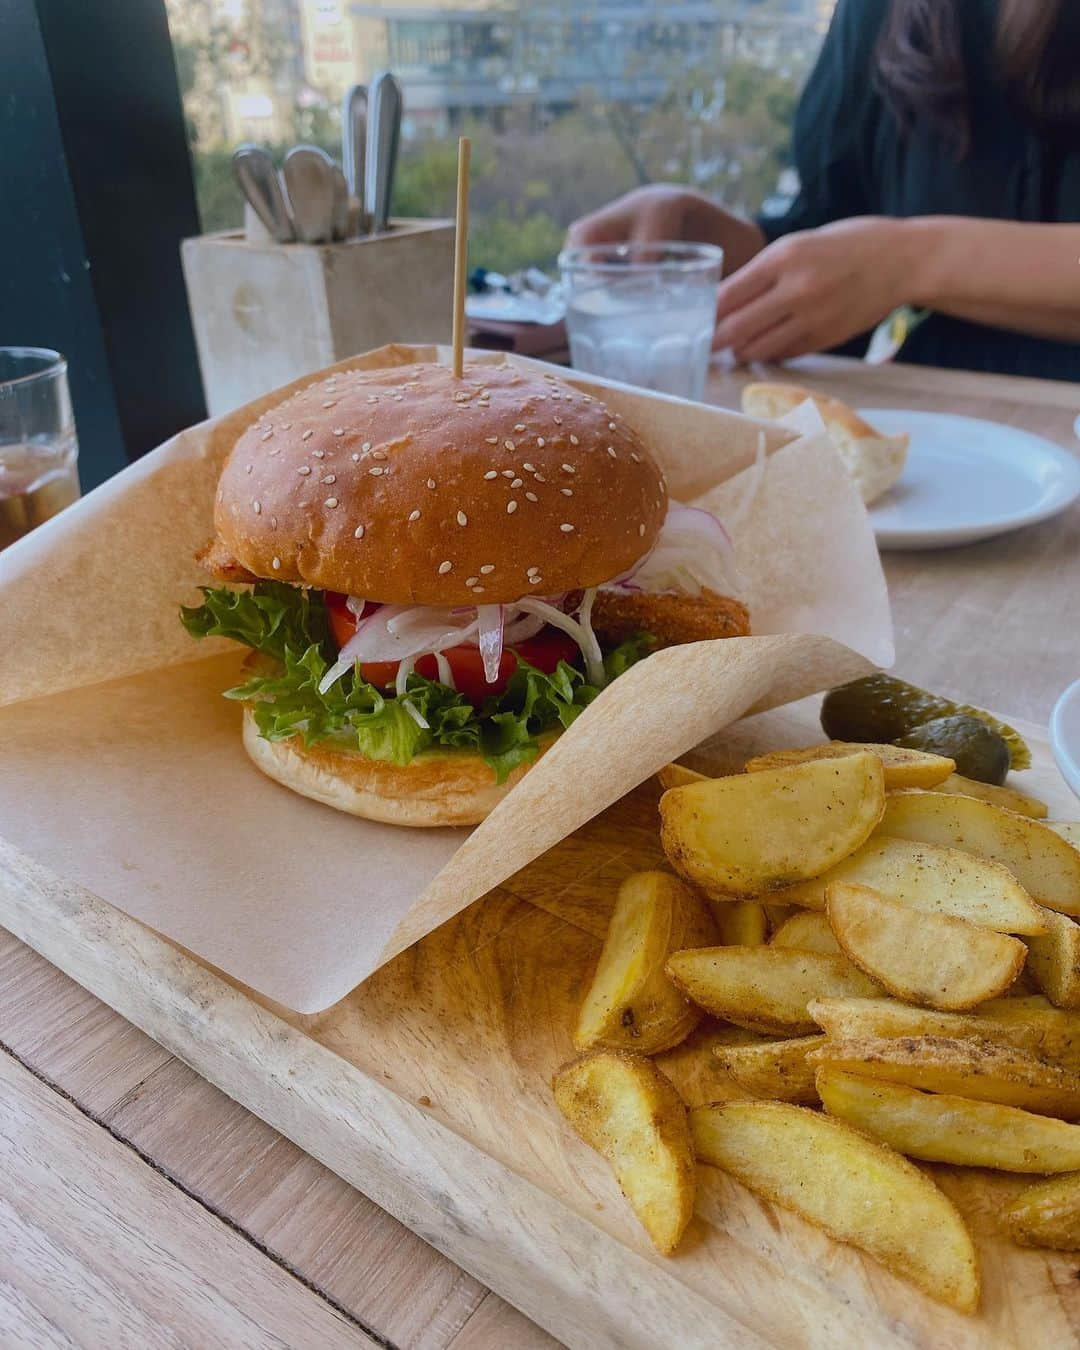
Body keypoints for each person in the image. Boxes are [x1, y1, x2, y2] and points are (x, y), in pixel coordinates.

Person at [567, 0, 1080, 382]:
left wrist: (910, 260)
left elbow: (886, 259)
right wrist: (745, 250)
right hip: (932, 442)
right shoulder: (885, 14)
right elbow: (842, 225)